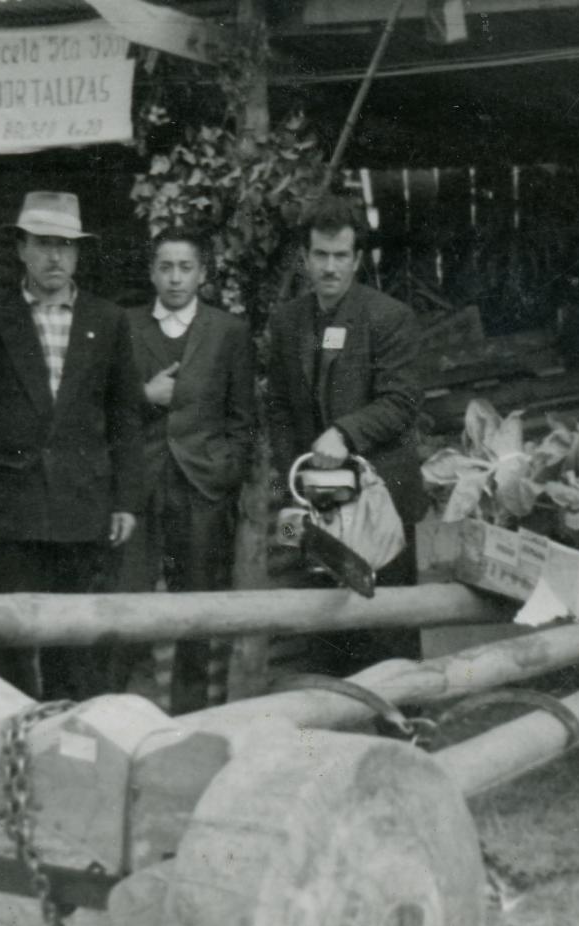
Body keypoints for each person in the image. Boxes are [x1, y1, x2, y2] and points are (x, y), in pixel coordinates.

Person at [0, 191, 145, 701]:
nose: (55, 257)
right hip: (10, 509)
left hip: (83, 507)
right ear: (21, 249)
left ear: (78, 254)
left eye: (66, 246)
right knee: (11, 636)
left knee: (73, 639)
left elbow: (125, 417)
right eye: (43, 244)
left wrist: (125, 500)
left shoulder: (109, 320)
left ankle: (66, 739)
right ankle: (14, 740)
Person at [265, 195, 427, 667]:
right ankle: (335, 733)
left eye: (341, 256)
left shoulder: (389, 317)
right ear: (305, 257)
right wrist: (292, 480)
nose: (330, 268)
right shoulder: (288, 321)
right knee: (321, 632)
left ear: (358, 259)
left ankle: (404, 732)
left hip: (380, 502)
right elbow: (277, 407)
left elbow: (402, 401)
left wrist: (344, 433)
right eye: (320, 255)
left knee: (386, 631)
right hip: (312, 501)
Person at [107, 227, 256, 713]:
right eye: (165, 267)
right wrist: (141, 395)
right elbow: (102, 406)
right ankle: (114, 712)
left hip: (201, 489)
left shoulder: (228, 332)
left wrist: (227, 472)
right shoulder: (123, 327)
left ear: (203, 274)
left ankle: (189, 718)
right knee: (126, 601)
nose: (175, 279)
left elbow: (242, 418)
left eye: (185, 268)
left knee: (195, 604)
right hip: (138, 487)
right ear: (152, 272)